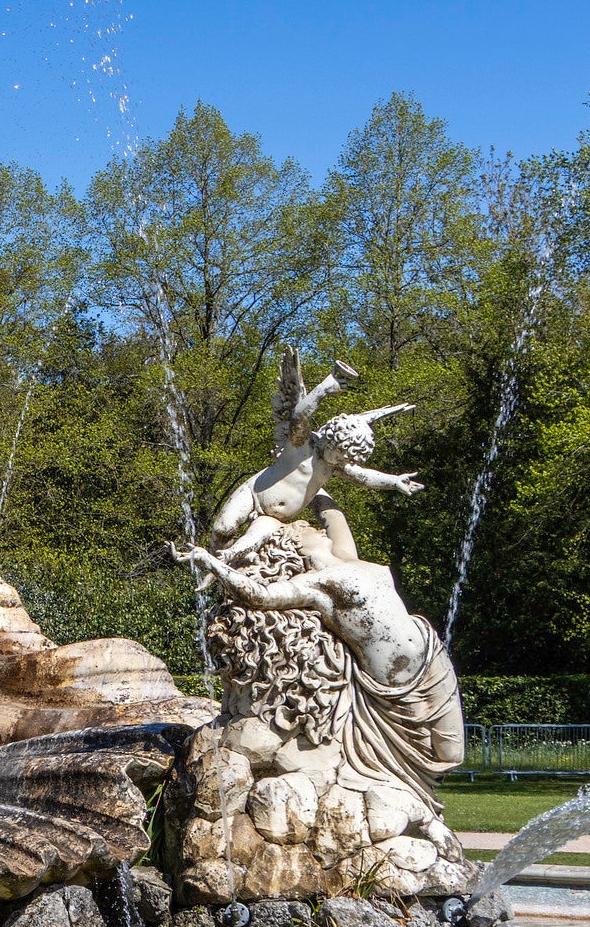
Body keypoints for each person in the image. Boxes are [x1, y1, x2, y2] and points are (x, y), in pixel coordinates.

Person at [171, 493, 465, 807]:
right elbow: (258, 595)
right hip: (393, 684)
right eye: (306, 529)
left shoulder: (345, 556)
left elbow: (330, 513)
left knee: (455, 754)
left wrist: (313, 467)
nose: (318, 530)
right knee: (441, 755)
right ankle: (404, 804)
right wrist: (211, 562)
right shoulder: (317, 585)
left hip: (432, 651)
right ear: (295, 545)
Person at [206, 346, 422, 568]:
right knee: (223, 529)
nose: (341, 462)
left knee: (246, 546)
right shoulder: (303, 444)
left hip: (274, 518)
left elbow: (363, 477)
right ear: (331, 440)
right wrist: (325, 389)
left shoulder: (333, 464)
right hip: (254, 493)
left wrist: (394, 481)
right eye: (340, 455)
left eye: (344, 459)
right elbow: (298, 416)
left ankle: (223, 573)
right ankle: (211, 576)